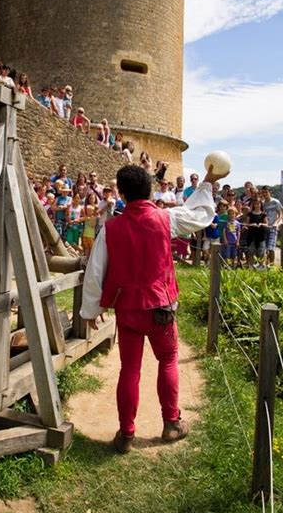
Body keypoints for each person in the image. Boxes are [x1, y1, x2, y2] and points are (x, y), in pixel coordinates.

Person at [80, 163, 223, 453]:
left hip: (128, 310)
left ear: (121, 193)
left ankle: (126, 435)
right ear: (150, 190)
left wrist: (91, 311)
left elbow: (95, 273)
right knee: (168, 361)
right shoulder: (166, 219)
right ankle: (171, 424)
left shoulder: (111, 229)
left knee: (129, 370)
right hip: (161, 307)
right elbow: (200, 215)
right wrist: (207, 182)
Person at [260, 186, 283, 266]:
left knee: (271, 248)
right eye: (263, 192)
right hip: (265, 227)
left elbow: (280, 214)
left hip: (273, 227)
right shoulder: (262, 204)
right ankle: (266, 265)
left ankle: (272, 265)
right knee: (265, 248)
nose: (264, 194)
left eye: (266, 192)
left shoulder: (276, 202)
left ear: (270, 192)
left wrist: (276, 223)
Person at [246, 198, 267, 268]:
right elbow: (246, 224)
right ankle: (251, 266)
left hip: (261, 236)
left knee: (261, 252)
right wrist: (252, 224)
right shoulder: (250, 214)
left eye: (258, 204)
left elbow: (266, 224)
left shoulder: (263, 214)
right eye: (255, 204)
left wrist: (261, 224)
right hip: (251, 235)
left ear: (261, 204)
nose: (257, 205)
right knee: (251, 251)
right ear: (253, 205)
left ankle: (261, 266)